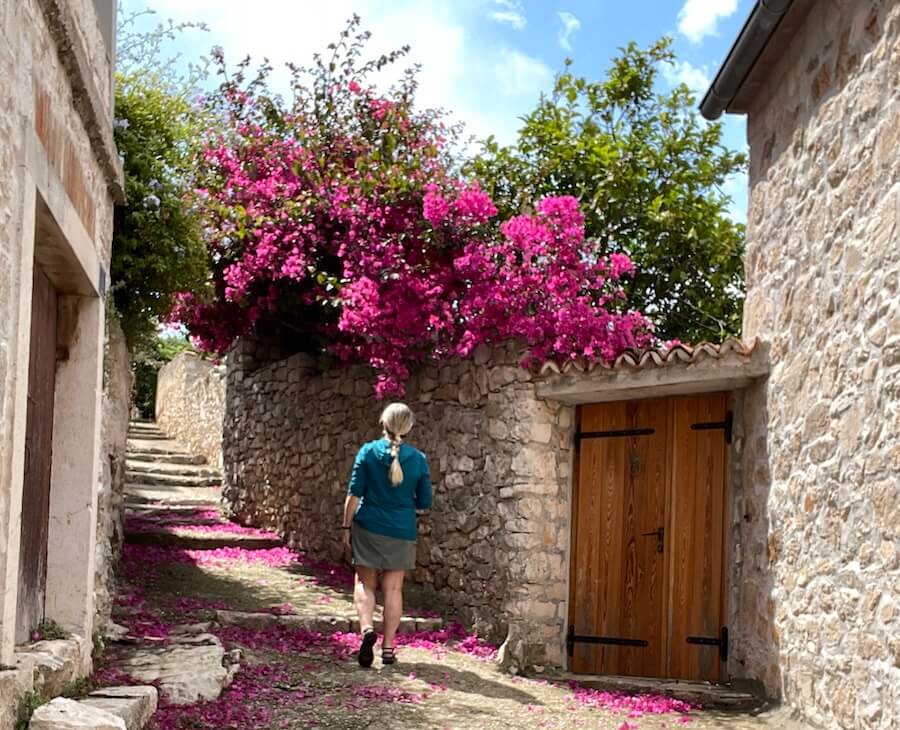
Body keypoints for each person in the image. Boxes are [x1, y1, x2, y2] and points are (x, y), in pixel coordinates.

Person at [342, 403, 432, 668]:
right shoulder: (418, 459)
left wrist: (346, 527)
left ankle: (367, 629)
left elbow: (354, 494)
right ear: (409, 427)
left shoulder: (368, 452)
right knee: (393, 588)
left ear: (383, 422)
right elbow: (425, 500)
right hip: (401, 530)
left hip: (368, 526)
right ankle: (389, 648)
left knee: (365, 583)